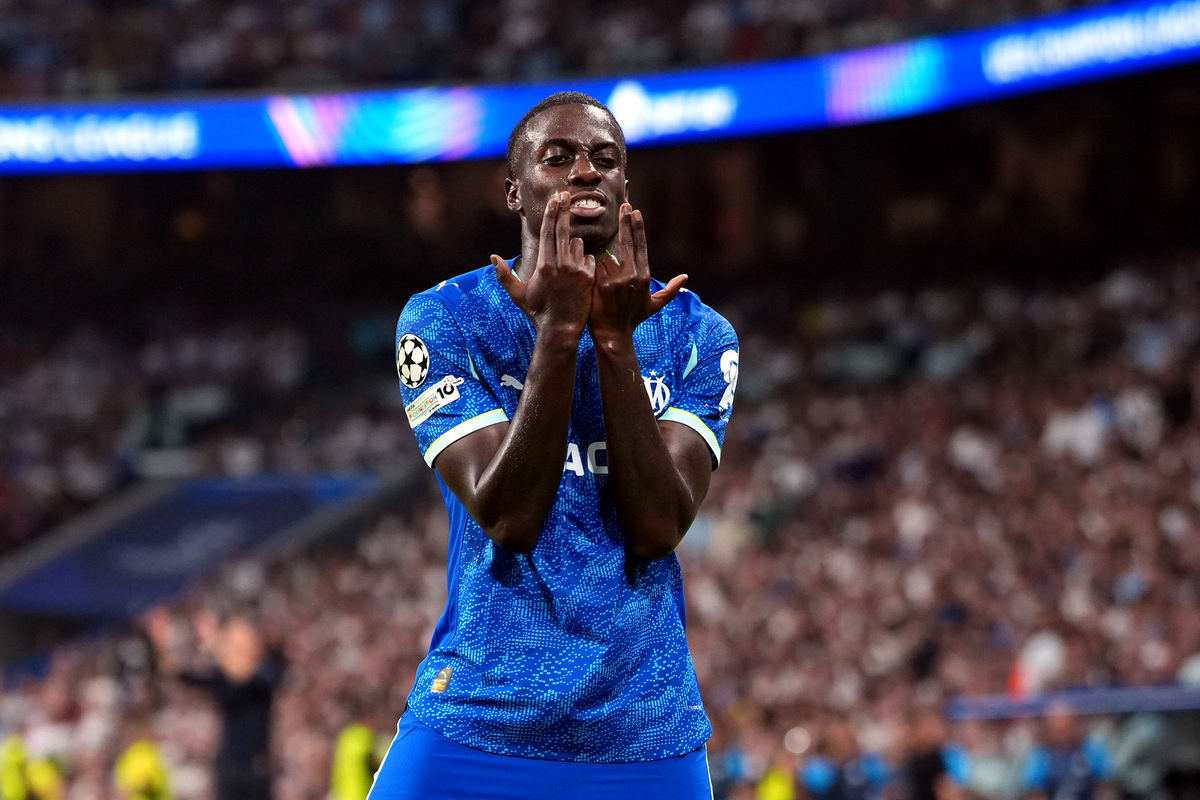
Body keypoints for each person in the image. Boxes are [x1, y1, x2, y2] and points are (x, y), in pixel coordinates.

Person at [374, 91, 739, 798]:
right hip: (477, 718)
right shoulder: (444, 320)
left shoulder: (699, 335)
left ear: (626, 188)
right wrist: (560, 331)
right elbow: (510, 516)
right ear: (515, 190)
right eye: (559, 157)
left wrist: (612, 340)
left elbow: (659, 525)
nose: (585, 173)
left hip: (641, 733)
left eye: (606, 160)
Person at [146, 608, 283, 800]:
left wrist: (216, 645)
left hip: (256, 769)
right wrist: (164, 644)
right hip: (229, 766)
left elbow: (251, 678)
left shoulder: (265, 672)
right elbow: (184, 674)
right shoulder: (223, 676)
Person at [1021, 704, 1115, 800]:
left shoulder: (1093, 750)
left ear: (1075, 724)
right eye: (1058, 727)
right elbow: (1034, 793)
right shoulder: (1040, 756)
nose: (1062, 731)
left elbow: (1106, 787)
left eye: (1066, 726)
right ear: (1049, 728)